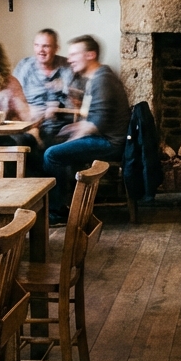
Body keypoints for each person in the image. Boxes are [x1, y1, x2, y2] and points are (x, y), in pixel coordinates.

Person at [41, 35, 129, 223]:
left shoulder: (102, 80)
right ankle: (68, 205)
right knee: (50, 143)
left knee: (51, 155)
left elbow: (97, 124)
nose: (70, 58)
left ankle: (57, 213)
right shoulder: (96, 77)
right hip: (104, 137)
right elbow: (94, 116)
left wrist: (74, 136)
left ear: (90, 54)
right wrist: (73, 128)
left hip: (109, 143)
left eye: (74, 54)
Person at [12, 29, 79, 142]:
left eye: (46, 46)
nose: (40, 50)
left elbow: (76, 101)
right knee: (20, 141)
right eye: (37, 45)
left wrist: (58, 107)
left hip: (59, 126)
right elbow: (13, 97)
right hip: (29, 124)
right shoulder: (24, 66)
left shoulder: (67, 67)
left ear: (56, 48)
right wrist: (26, 111)